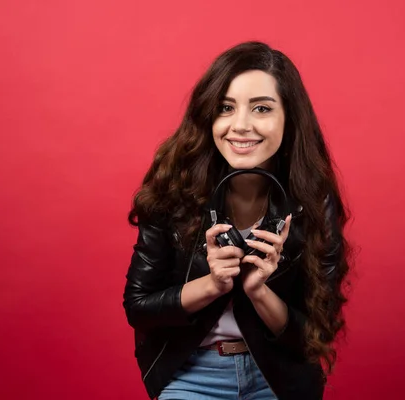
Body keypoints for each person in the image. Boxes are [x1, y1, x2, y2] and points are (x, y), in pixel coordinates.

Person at [123, 41, 352, 400]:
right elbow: (139, 308)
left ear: (288, 118)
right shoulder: (174, 187)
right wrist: (213, 284)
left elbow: (314, 335)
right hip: (191, 377)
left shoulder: (312, 201)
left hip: (275, 379)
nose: (240, 126)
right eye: (225, 108)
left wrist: (259, 291)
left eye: (261, 108)